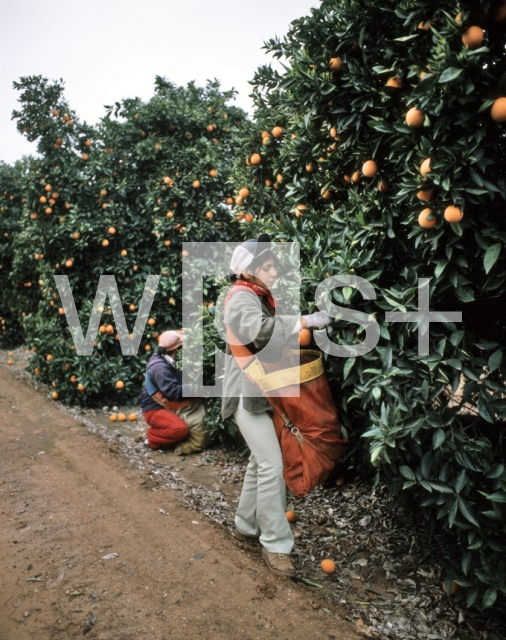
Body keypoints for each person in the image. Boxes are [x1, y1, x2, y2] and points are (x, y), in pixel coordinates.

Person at [221, 233, 332, 578]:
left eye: (272, 267)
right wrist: (303, 322)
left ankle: (245, 527)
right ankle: (275, 545)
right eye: (267, 267)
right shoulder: (242, 297)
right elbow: (258, 333)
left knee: (260, 462)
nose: (273, 273)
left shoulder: (256, 297)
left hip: (258, 392)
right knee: (273, 465)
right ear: (249, 270)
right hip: (246, 394)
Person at [139, 330, 194, 450]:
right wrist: (196, 388)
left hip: (164, 404)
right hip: (154, 409)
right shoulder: (160, 368)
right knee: (181, 430)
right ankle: (152, 437)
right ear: (177, 348)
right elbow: (173, 391)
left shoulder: (166, 359)